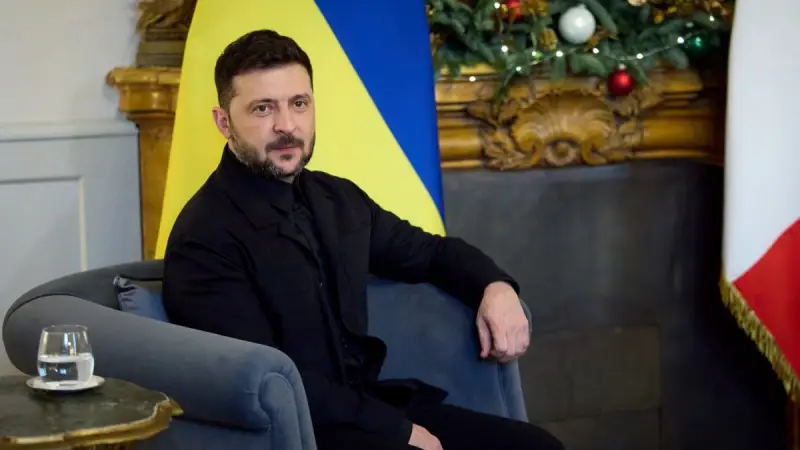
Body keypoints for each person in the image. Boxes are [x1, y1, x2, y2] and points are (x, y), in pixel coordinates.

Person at [161, 29, 564, 450]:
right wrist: (399, 432)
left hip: (369, 408)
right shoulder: (203, 236)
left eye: (299, 103)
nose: (287, 126)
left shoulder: (337, 199)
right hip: (295, 432)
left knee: (536, 447)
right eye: (263, 108)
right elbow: (266, 381)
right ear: (223, 122)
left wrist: (494, 286)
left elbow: (430, 253)